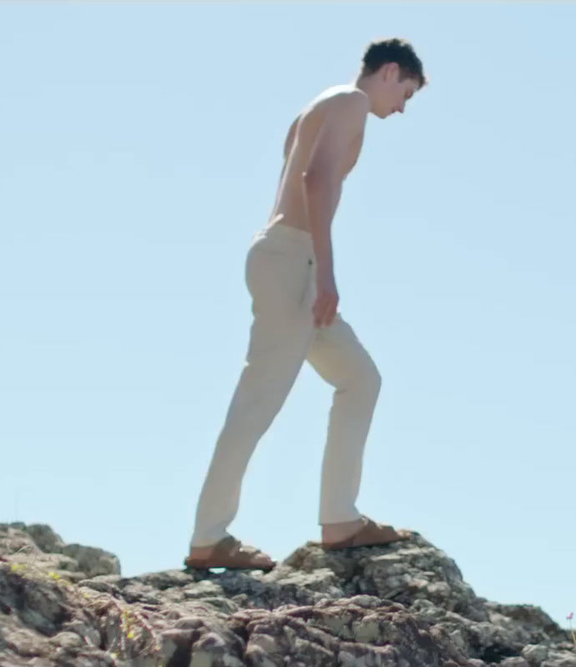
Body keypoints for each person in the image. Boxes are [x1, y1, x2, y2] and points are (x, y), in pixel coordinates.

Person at [183, 38, 427, 571]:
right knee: (258, 401)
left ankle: (340, 519)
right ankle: (208, 537)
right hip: (295, 261)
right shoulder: (352, 102)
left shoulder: (317, 105)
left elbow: (299, 172)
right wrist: (327, 273)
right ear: (390, 73)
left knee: (360, 377)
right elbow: (313, 181)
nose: (402, 108)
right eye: (405, 94)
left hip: (290, 260)